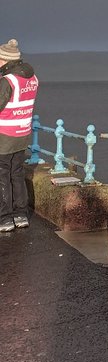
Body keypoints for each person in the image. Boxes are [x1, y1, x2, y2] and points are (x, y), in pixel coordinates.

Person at [0, 39, 39, 232]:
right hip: (22, 133)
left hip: (4, 135)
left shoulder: (8, 81)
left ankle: (5, 217)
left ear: (6, 60)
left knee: (2, 175)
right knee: (17, 173)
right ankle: (20, 214)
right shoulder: (32, 79)